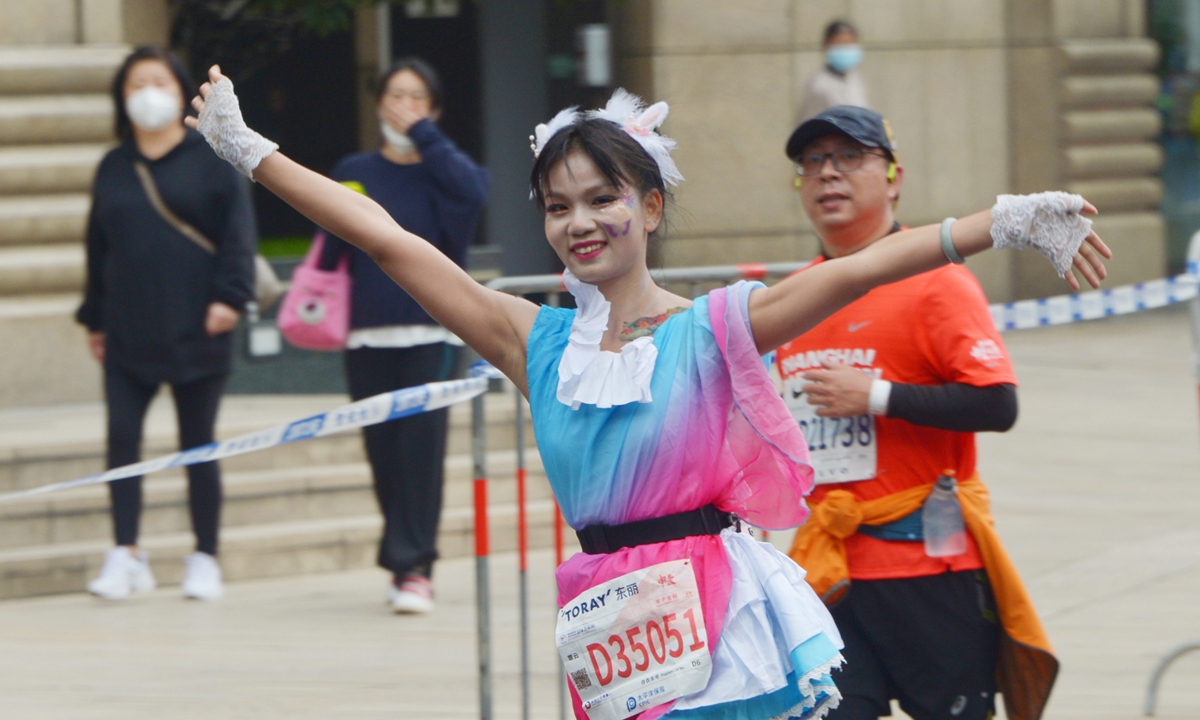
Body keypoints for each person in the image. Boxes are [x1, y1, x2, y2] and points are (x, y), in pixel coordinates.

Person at [186, 66, 1109, 719]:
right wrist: (250, 151)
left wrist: (1010, 220)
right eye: (557, 205)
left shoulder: (715, 327)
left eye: (601, 198)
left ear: (651, 207)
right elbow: (387, 239)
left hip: (717, 613)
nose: (579, 222)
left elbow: (857, 271)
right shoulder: (531, 338)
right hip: (608, 620)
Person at [779, 106, 1056, 720]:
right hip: (832, 573)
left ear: (894, 178)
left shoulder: (937, 281)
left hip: (929, 568)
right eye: (813, 163)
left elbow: (998, 403)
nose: (829, 175)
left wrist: (876, 395)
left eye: (850, 158)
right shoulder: (796, 296)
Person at [76, 48, 256, 601]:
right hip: (128, 328)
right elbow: (96, 247)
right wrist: (96, 318)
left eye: (159, 80)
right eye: (136, 83)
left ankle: (204, 555)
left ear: (181, 92)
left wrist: (230, 298)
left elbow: (237, 237)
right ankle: (125, 552)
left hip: (197, 327)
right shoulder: (113, 165)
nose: (148, 91)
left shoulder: (211, 160)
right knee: (122, 440)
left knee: (197, 443)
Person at [316, 57, 488, 614]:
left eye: (417, 98)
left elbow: (473, 194)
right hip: (366, 338)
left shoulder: (446, 171)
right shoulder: (355, 167)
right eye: (395, 95)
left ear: (434, 110)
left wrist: (424, 136)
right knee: (383, 454)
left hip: (431, 337)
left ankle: (415, 567)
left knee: (420, 452)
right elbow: (333, 243)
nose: (403, 106)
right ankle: (401, 557)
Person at [798, 21, 870, 122]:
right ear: (826, 46)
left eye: (849, 44)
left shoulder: (854, 79)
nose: (845, 50)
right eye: (840, 45)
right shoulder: (819, 86)